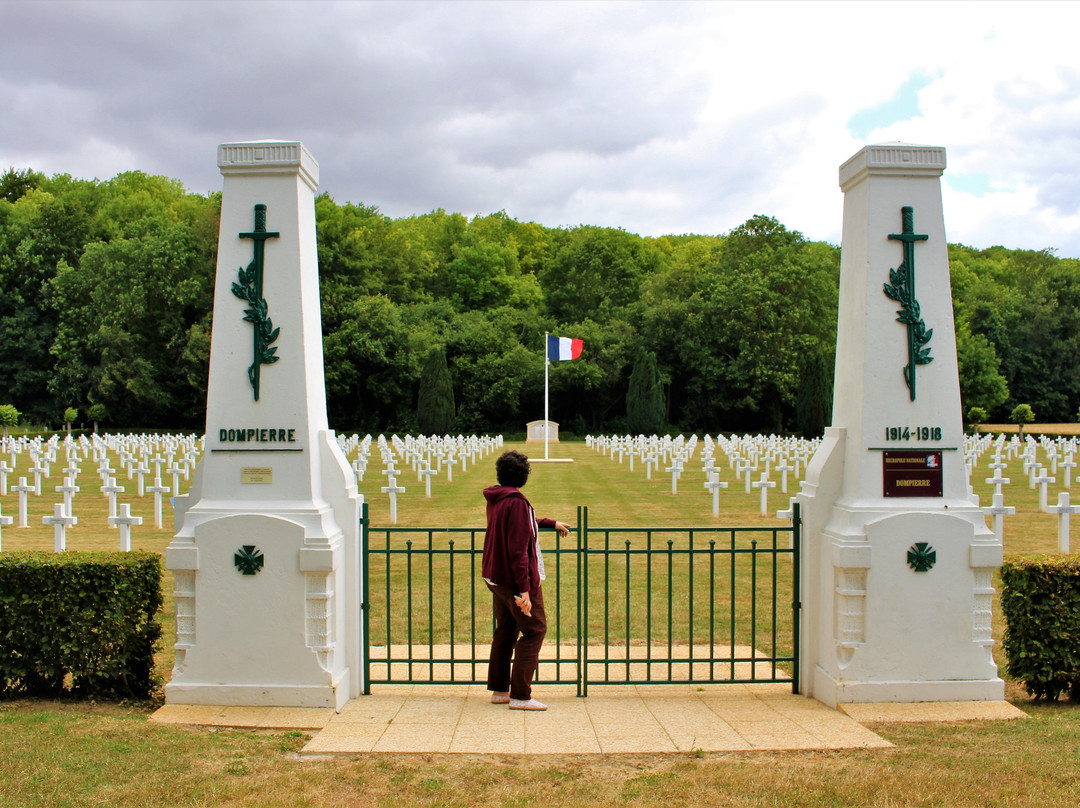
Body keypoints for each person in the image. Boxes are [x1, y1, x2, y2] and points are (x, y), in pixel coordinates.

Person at [482, 450, 569, 711]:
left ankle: (500, 690)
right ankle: (521, 695)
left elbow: (521, 524)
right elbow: (519, 549)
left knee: (506, 629)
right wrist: (525, 590)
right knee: (535, 629)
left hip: (494, 576)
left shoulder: (497, 498)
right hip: (512, 580)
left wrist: (550, 522)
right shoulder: (516, 502)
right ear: (524, 476)